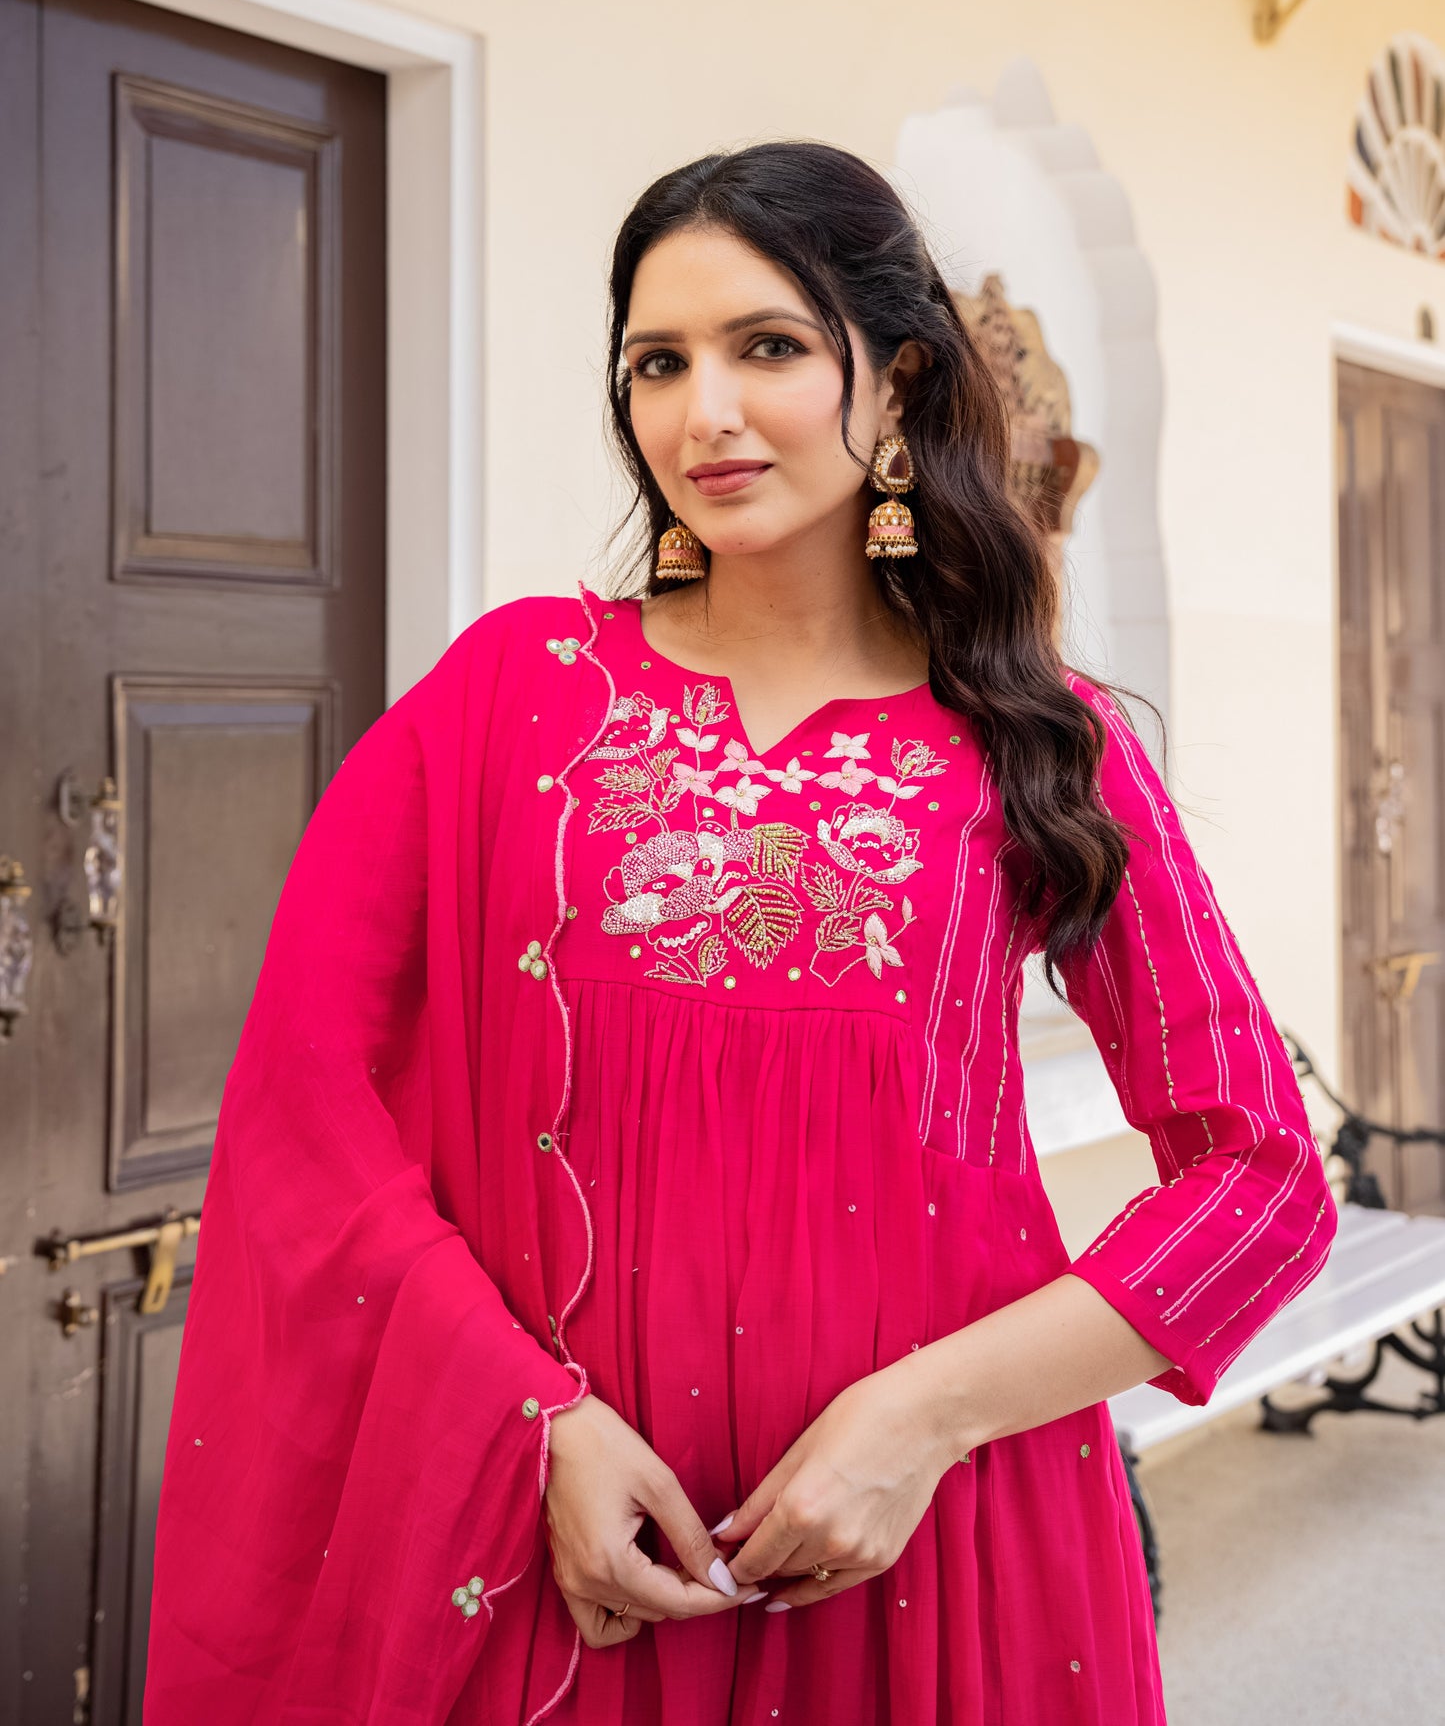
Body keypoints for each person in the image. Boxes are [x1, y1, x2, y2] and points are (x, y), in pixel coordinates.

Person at [146, 143, 1336, 1725]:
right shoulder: (508, 698)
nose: (700, 410)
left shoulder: (1042, 744)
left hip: (929, 1559)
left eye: (765, 346)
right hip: (556, 1559)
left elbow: (1256, 1182)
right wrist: (535, 1425)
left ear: (897, 383)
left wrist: (912, 1424)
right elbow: (311, 1100)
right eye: (657, 362)